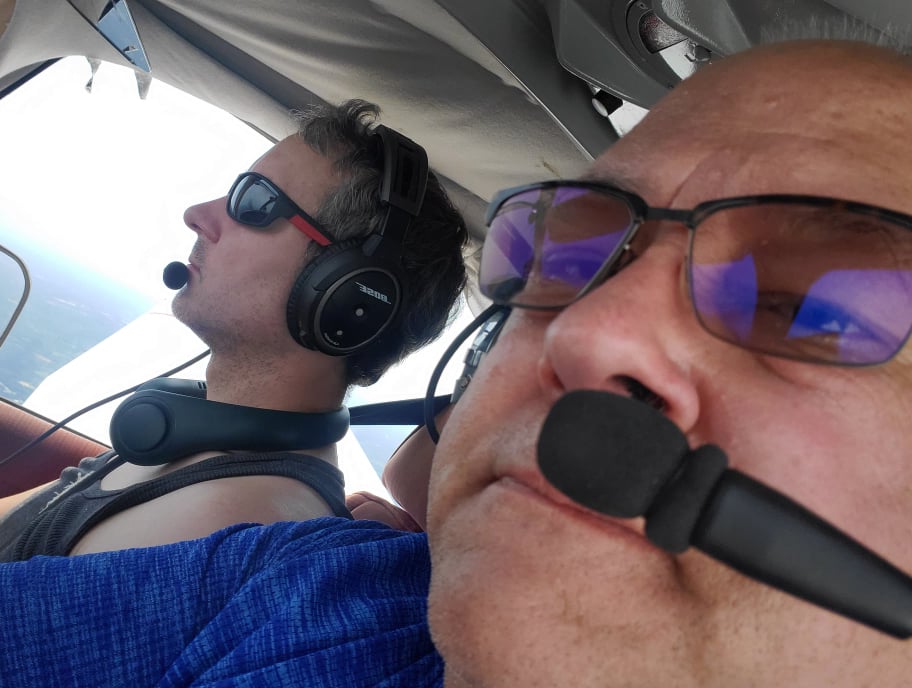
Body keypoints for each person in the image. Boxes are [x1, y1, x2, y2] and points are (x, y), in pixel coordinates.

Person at [1, 35, 911, 688]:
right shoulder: (294, 591)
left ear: (348, 298)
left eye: (815, 305)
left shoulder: (250, 527)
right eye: (572, 257)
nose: (583, 328)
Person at [0, 98, 468, 559]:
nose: (197, 214)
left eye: (255, 201)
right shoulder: (193, 433)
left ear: (347, 297)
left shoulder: (223, 523)